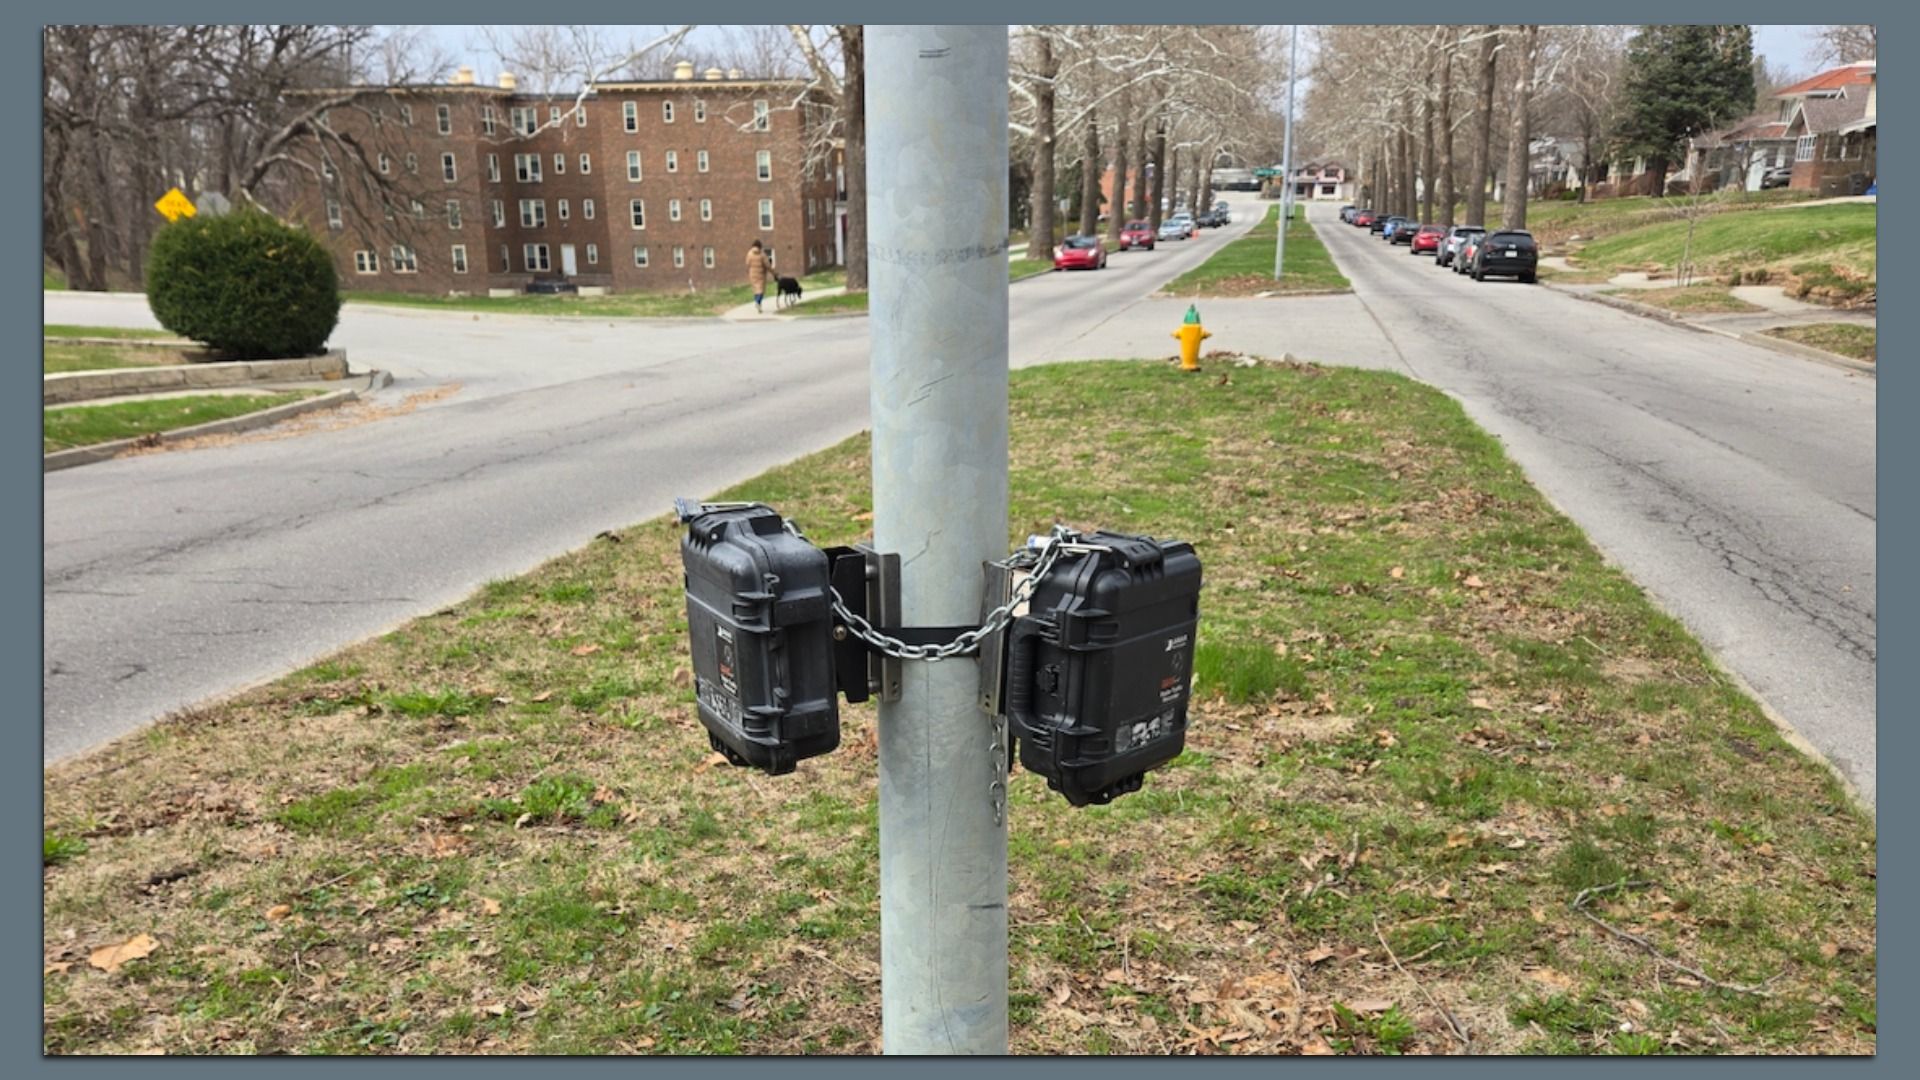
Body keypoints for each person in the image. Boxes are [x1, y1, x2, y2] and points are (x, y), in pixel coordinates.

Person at [745, 240, 770, 313]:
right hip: (761, 274)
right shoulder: (762, 254)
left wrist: (748, 271)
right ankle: (758, 302)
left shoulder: (749, 253)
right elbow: (767, 265)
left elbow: (747, 263)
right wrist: (773, 272)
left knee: (756, 290)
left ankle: (757, 303)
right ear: (760, 246)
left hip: (752, 274)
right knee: (761, 291)